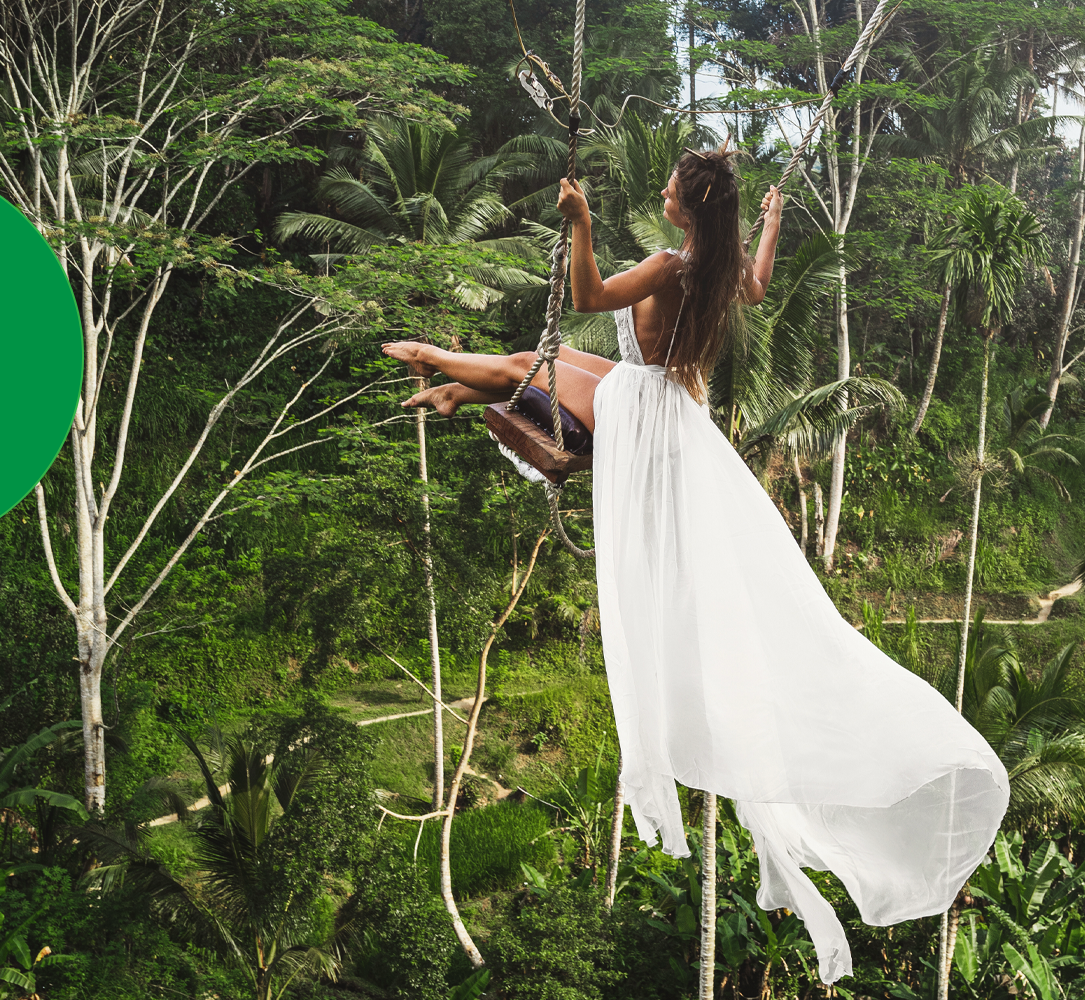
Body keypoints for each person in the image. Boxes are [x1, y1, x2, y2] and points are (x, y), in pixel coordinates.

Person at [381, 149, 1008, 984]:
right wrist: (775, 227)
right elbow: (756, 284)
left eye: (671, 187)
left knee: (532, 365)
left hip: (644, 418)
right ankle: (457, 387)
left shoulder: (673, 263)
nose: (663, 191)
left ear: (686, 209)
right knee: (545, 369)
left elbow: (588, 299)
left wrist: (582, 225)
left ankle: (438, 363)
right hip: (676, 415)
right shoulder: (717, 269)